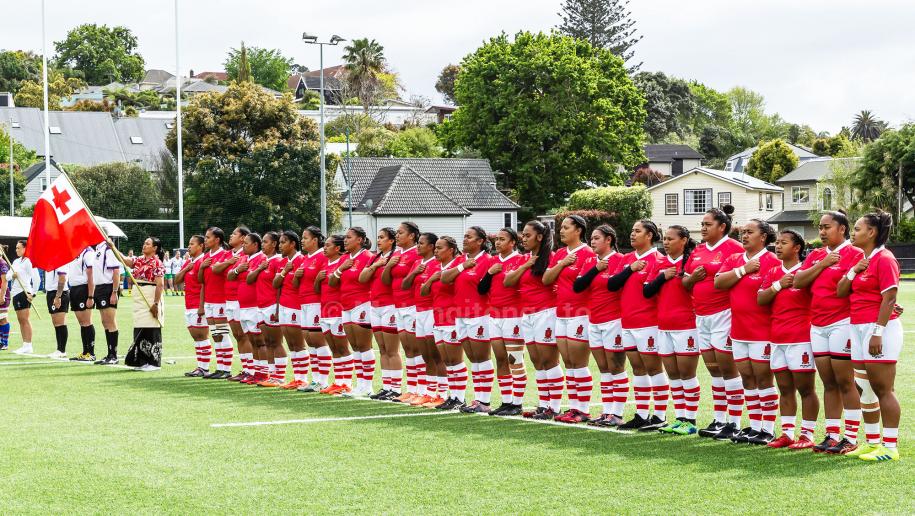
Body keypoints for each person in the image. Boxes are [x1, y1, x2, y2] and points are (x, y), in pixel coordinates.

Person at [792, 210, 868, 453]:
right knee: (828, 383)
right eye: (820, 228)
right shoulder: (816, 255)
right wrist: (823, 264)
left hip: (842, 323)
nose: (822, 232)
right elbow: (798, 281)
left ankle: (851, 436)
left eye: (827, 227)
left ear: (842, 229)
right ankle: (832, 435)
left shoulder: (855, 253)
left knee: (845, 381)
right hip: (817, 325)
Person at [837, 210, 902, 461]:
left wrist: (878, 332)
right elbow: (841, 291)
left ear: (872, 232)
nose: (853, 233)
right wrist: (853, 271)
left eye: (857, 229)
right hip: (858, 328)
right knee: (864, 388)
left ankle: (890, 447)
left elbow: (890, 298)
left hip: (878, 330)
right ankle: (872, 442)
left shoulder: (885, 259)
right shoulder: (862, 259)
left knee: (883, 389)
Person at [715, 219, 780, 444]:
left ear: (763, 237)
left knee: (764, 379)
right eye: (743, 232)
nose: (744, 235)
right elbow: (719, 283)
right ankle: (754, 426)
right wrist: (743, 270)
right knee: (747, 379)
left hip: (762, 331)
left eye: (749, 232)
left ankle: (768, 429)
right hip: (739, 330)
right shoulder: (734, 259)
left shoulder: (772, 261)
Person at [682, 206, 744, 437]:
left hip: (724, 315)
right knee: (714, 370)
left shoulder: (734, 248)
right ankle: (719, 420)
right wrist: (693, 278)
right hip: (701, 316)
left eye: (708, 224)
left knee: (728, 370)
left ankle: (734, 423)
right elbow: (685, 283)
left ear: (722, 227)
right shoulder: (698, 250)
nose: (703, 228)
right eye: (702, 224)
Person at [758, 230, 820, 450]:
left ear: (797, 248)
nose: (778, 246)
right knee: (784, 388)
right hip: (777, 338)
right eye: (777, 242)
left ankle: (807, 434)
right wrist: (778, 285)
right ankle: (787, 433)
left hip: (800, 338)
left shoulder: (806, 271)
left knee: (806, 389)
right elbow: (761, 299)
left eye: (783, 243)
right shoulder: (773, 271)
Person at [608, 220, 667, 431]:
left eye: (637, 231)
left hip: (649, 323)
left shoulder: (659, 259)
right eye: (632, 230)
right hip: (628, 322)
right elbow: (611, 284)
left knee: (654, 368)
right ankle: (642, 415)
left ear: (649, 235)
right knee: (638, 369)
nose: (632, 234)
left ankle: (659, 416)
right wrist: (630, 269)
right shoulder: (627, 259)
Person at [643, 225, 700, 435]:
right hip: (664, 325)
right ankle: (680, 418)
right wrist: (663, 276)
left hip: (686, 326)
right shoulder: (660, 263)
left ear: (683, 240)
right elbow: (647, 291)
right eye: (664, 239)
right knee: (674, 375)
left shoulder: (692, 262)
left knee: (687, 374)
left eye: (670, 239)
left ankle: (691, 420)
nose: (666, 242)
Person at [573, 225, 628, 427]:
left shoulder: (620, 260)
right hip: (594, 321)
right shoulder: (590, 261)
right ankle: (607, 412)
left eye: (597, 238)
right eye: (592, 238)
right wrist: (596, 269)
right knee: (603, 369)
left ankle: (618, 414)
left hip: (614, 320)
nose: (592, 241)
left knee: (616, 368)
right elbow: (578, 286)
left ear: (609, 239)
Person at [544, 215, 596, 424]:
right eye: (561, 227)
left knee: (579, 363)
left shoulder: (588, 253)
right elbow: (547, 279)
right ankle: (574, 407)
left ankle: (583, 409)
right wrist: (562, 263)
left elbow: (587, 284)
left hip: (580, 314)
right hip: (561, 314)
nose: (561, 231)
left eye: (566, 227)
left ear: (579, 230)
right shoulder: (560, 254)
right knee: (569, 363)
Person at [506, 221, 558, 420]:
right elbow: (508, 282)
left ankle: (554, 407)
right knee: (537, 361)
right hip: (527, 315)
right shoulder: (524, 259)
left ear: (540, 237)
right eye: (523, 235)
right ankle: (543, 405)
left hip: (546, 312)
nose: (524, 239)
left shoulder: (551, 257)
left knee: (549, 361)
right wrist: (525, 265)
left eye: (528, 235)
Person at [443, 226, 495, 413]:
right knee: (473, 359)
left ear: (480, 241)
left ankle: (484, 401)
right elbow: (444, 278)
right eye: (464, 236)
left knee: (482, 358)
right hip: (460, 315)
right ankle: (477, 399)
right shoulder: (460, 260)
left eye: (469, 237)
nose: (464, 239)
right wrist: (462, 267)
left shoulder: (488, 260)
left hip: (480, 314)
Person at [478, 228, 527, 416]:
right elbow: (482, 289)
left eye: (502, 239)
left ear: (513, 242)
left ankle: (517, 403)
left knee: (515, 360)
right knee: (500, 359)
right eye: (496, 239)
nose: (497, 242)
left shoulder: (521, 260)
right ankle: (506, 401)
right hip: (495, 316)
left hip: (514, 316)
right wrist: (489, 273)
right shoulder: (492, 261)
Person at [402, 232, 445, 407]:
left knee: (436, 355)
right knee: (426, 355)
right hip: (418, 311)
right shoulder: (417, 263)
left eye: (421, 243)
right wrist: (414, 273)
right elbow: (405, 285)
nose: (418, 246)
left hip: (431, 311)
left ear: (431, 246)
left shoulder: (437, 264)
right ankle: (428, 392)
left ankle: (442, 394)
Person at [333, 227, 376, 397]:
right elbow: (332, 282)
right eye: (345, 237)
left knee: (364, 346)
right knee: (355, 347)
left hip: (362, 304)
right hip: (346, 306)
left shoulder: (368, 257)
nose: (345, 240)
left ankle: (368, 386)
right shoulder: (344, 258)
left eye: (349, 237)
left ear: (360, 240)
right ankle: (360, 385)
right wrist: (341, 268)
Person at [383, 222, 421, 402]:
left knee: (416, 349)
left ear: (412, 236)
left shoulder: (417, 253)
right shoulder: (396, 254)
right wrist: (389, 266)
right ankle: (411, 389)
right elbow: (386, 280)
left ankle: (422, 390)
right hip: (398, 306)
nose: (397, 235)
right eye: (396, 232)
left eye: (400, 232)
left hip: (412, 306)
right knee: (408, 350)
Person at [426, 236, 464, 409]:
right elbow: (425, 291)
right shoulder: (435, 267)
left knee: (455, 360)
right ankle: (453, 396)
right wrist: (430, 279)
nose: (436, 251)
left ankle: (460, 398)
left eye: (440, 248)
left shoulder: (459, 264)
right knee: (447, 361)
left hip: (452, 318)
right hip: (438, 318)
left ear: (451, 250)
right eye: (435, 248)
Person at [293, 227, 331, 392]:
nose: (302, 241)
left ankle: (323, 380)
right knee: (310, 341)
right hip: (304, 303)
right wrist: (296, 276)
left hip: (316, 303)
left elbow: (325, 281)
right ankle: (315, 380)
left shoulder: (322, 256)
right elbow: (297, 284)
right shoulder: (305, 259)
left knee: (318, 341)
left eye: (305, 238)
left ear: (315, 240)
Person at [360, 227, 397, 399]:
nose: (379, 240)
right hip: (375, 306)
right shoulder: (375, 257)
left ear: (391, 241)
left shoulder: (395, 256)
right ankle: (386, 386)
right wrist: (375, 265)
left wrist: (386, 265)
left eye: (382, 237)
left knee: (391, 349)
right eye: (378, 237)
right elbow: (362, 278)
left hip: (390, 306)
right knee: (382, 349)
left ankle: (395, 388)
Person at [122, 237, 165, 371]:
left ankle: (153, 362)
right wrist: (113, 248)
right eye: (144, 243)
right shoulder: (139, 260)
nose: (144, 245)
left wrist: (156, 304)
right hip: (139, 296)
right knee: (140, 326)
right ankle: (141, 361)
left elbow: (160, 284)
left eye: (147, 244)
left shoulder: (157, 262)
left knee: (151, 327)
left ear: (155, 248)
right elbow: (126, 261)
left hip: (150, 295)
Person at [316, 235, 353, 395]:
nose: (324, 248)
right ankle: (338, 382)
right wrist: (317, 280)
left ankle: (347, 383)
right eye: (324, 245)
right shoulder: (324, 263)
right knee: (334, 349)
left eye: (328, 245)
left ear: (337, 248)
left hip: (338, 310)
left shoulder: (344, 261)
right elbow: (317, 290)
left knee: (342, 348)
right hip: (324, 311)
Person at [249, 232, 285, 387]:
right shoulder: (263, 262)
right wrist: (259, 268)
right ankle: (271, 374)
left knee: (276, 342)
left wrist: (277, 309)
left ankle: (280, 376)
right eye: (262, 242)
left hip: (271, 306)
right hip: (261, 306)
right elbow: (250, 280)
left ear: (274, 244)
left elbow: (279, 287)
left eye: (265, 242)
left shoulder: (278, 261)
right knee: (268, 342)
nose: (262, 244)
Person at [273, 230, 307, 389]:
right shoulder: (283, 262)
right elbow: (276, 284)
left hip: (296, 305)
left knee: (298, 343)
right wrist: (285, 270)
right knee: (291, 344)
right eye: (279, 242)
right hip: (284, 305)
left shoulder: (301, 260)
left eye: (283, 242)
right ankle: (296, 377)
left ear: (293, 244)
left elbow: (299, 285)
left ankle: (302, 378)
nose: (280, 245)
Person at [198, 227, 233, 379]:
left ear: (217, 239)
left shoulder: (226, 255)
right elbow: (201, 280)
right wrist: (202, 267)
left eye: (208, 237)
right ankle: (220, 368)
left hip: (221, 300)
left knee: (223, 333)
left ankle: (227, 370)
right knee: (215, 335)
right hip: (209, 301)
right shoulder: (206, 256)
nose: (205, 240)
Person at [234, 233, 268, 384]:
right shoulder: (244, 258)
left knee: (260, 341)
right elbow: (231, 276)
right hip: (244, 307)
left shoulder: (262, 258)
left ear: (255, 245)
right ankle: (256, 372)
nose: (243, 245)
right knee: (252, 341)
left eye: (246, 243)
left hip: (255, 306)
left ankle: (264, 373)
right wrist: (237, 270)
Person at [177, 235, 210, 377]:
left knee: (202, 335)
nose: (189, 246)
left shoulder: (203, 261)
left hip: (198, 304)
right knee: (196, 336)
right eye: (189, 244)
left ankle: (205, 368)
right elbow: (177, 280)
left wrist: (201, 306)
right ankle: (200, 367)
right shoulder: (189, 262)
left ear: (201, 246)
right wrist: (186, 269)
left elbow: (204, 285)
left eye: (192, 244)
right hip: (188, 304)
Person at [222, 227, 252, 381]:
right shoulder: (229, 255)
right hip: (229, 300)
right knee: (238, 336)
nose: (231, 235)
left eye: (234, 234)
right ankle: (245, 368)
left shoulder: (246, 256)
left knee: (245, 336)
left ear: (243, 238)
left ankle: (250, 370)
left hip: (240, 300)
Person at [8, 240, 40, 355]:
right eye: (16, 248)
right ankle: (25, 345)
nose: (16, 250)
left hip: (24, 292)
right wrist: (12, 275)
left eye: (19, 248)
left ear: (25, 248)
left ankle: (28, 345)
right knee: (20, 320)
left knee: (24, 319)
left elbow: (36, 279)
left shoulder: (29, 261)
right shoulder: (16, 261)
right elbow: (7, 276)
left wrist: (33, 293)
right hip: (15, 293)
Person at [92, 239, 121, 365]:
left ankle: (114, 355)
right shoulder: (97, 249)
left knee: (110, 321)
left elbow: (116, 271)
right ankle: (109, 353)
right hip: (99, 288)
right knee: (105, 322)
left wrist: (114, 291)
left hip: (108, 287)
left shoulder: (108, 249)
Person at [68, 246, 98, 361]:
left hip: (84, 289)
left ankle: (91, 353)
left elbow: (91, 275)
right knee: (82, 323)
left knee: (87, 321)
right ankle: (85, 352)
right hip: (74, 289)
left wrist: (90, 296)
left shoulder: (88, 252)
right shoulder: (74, 252)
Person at [44, 260, 70, 359]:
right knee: (56, 322)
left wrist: (58, 296)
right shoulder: (50, 261)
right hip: (51, 292)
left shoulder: (60, 260)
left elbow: (62, 278)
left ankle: (62, 350)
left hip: (59, 293)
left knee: (60, 322)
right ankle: (59, 349)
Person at [0, 250, 10, 351]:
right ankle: (1, 342)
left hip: (2, 292)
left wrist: (2, 295)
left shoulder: (2, 263)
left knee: (2, 318)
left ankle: (5, 342)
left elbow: (4, 281)